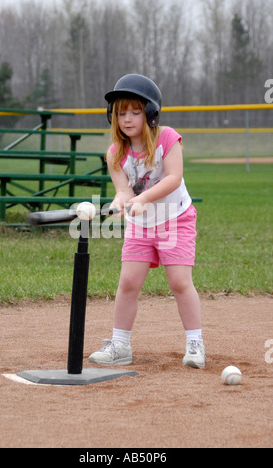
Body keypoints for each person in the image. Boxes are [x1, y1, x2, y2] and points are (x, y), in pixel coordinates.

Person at [89, 74, 205, 369]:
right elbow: (123, 190)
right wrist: (119, 203)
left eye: (135, 111)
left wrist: (142, 200)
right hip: (142, 224)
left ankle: (194, 343)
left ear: (150, 114)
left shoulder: (167, 137)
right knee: (128, 282)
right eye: (121, 112)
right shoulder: (115, 153)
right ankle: (120, 345)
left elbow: (173, 177)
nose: (127, 119)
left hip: (174, 219)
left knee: (179, 282)